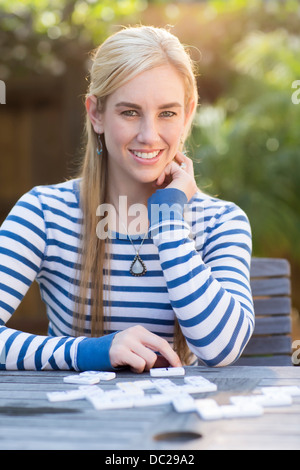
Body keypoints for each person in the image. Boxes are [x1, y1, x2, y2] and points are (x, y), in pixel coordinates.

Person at [0, 25, 254, 372]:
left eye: (167, 113)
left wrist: (167, 223)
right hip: (69, 424)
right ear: (96, 114)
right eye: (130, 112)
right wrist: (89, 353)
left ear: (188, 113)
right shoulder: (44, 213)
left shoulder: (222, 221)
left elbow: (222, 348)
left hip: (178, 425)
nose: (149, 136)